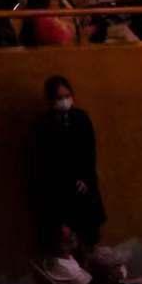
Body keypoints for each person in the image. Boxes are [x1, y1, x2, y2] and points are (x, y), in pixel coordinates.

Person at [26, 73, 104, 243]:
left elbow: (89, 151)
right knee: (68, 238)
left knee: (90, 235)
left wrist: (86, 178)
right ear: (51, 100)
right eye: (59, 97)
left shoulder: (81, 118)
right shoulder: (43, 126)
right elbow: (45, 161)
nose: (64, 101)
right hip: (60, 191)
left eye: (67, 96)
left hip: (85, 185)